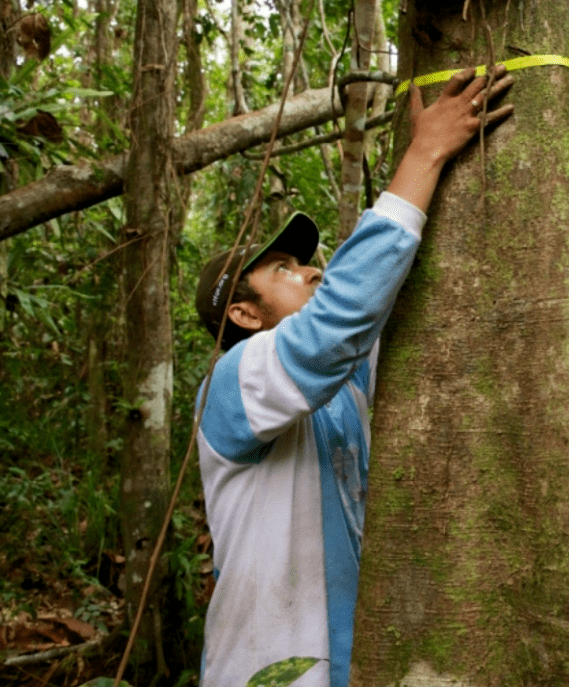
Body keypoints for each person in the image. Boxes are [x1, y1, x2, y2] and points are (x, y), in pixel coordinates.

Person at [193, 66, 514, 687]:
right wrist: (422, 154)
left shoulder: (340, 387)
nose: (311, 272)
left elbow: (375, 304)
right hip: (266, 669)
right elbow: (341, 318)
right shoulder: (232, 381)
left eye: (306, 262)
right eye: (284, 269)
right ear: (242, 313)